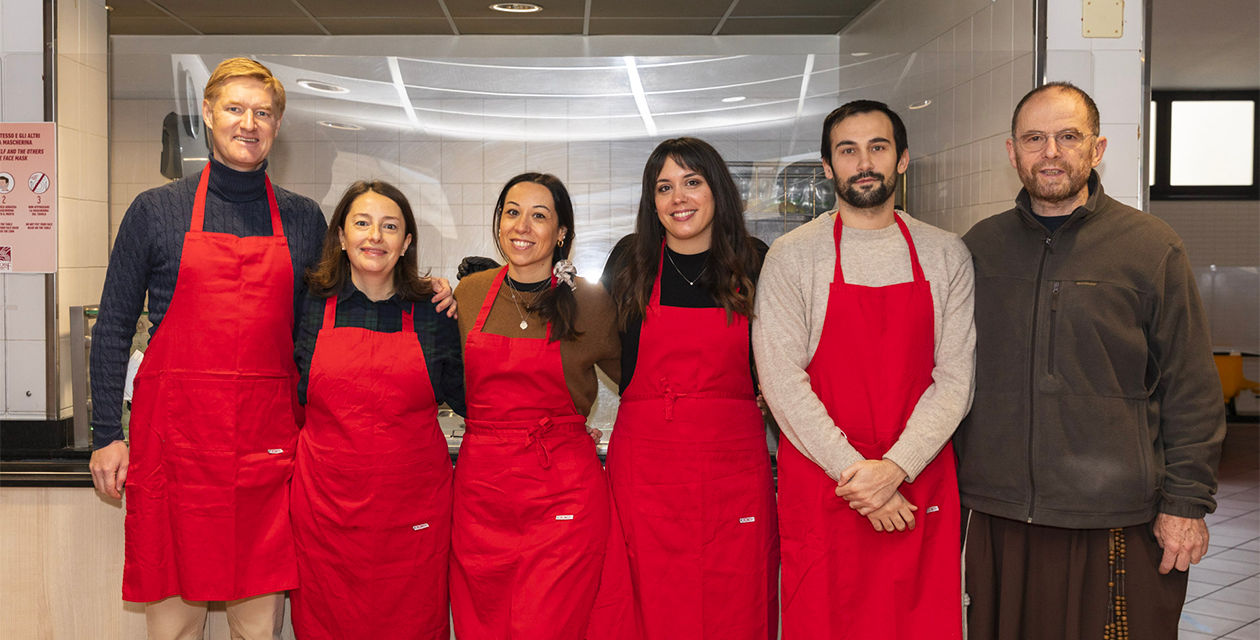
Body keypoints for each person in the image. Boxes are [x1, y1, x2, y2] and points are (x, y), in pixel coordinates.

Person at [957, 82, 1226, 640]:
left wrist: (1187, 503)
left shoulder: (1151, 247)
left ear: (1097, 149)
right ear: (1012, 152)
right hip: (1004, 511)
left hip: (1118, 514)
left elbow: (1191, 386)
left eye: (1067, 136)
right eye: (1034, 138)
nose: (1050, 152)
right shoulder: (979, 248)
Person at [87, 57, 327, 639]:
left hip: (266, 454)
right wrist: (106, 435)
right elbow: (114, 325)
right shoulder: (155, 211)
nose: (250, 123)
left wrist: (429, 294)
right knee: (174, 628)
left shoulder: (303, 219)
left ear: (277, 125)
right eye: (236, 109)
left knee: (258, 626)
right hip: (174, 450)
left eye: (264, 113)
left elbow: (320, 333)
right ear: (208, 113)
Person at [753, 100, 976, 639]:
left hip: (916, 484)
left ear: (902, 159)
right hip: (827, 486)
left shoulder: (946, 254)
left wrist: (894, 469)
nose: (864, 162)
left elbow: (956, 381)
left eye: (878, 147)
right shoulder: (792, 256)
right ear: (828, 167)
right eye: (847, 151)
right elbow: (782, 382)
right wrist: (860, 480)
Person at [595, 137, 777, 639]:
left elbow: (781, 349)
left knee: (735, 602)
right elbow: (597, 344)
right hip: (647, 477)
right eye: (664, 187)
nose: (679, 198)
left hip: (732, 472)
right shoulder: (631, 262)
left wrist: (769, 389)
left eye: (692, 183)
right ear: (651, 202)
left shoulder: (754, 261)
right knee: (648, 603)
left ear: (716, 190)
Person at [289, 181, 464, 639]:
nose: (375, 237)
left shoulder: (434, 311)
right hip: (325, 514)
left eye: (390, 227)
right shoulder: (307, 304)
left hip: (413, 518)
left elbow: (471, 400)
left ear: (406, 243)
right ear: (341, 237)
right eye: (362, 224)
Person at [450, 172, 620, 640]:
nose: (522, 226)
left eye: (539, 215)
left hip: (562, 497)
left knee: (548, 625)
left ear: (561, 232)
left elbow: (640, 378)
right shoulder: (468, 293)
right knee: (480, 624)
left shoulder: (590, 300)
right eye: (512, 212)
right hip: (482, 496)